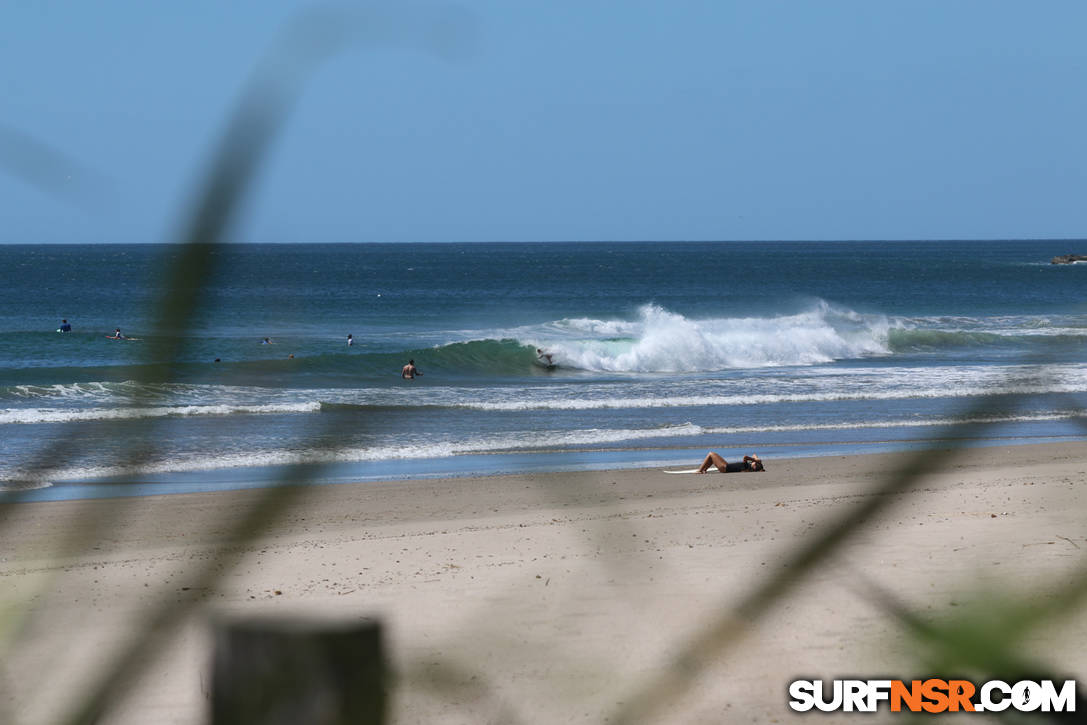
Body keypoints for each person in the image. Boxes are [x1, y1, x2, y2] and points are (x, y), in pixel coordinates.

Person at [697, 452, 764, 474]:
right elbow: (754, 454)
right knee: (712, 459)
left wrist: (755, 460)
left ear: (754, 466)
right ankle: (704, 470)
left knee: (711, 454)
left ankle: (699, 471)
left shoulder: (746, 466)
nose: (752, 462)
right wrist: (756, 460)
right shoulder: (749, 468)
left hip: (724, 468)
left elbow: (745, 457)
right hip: (726, 466)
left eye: (754, 463)